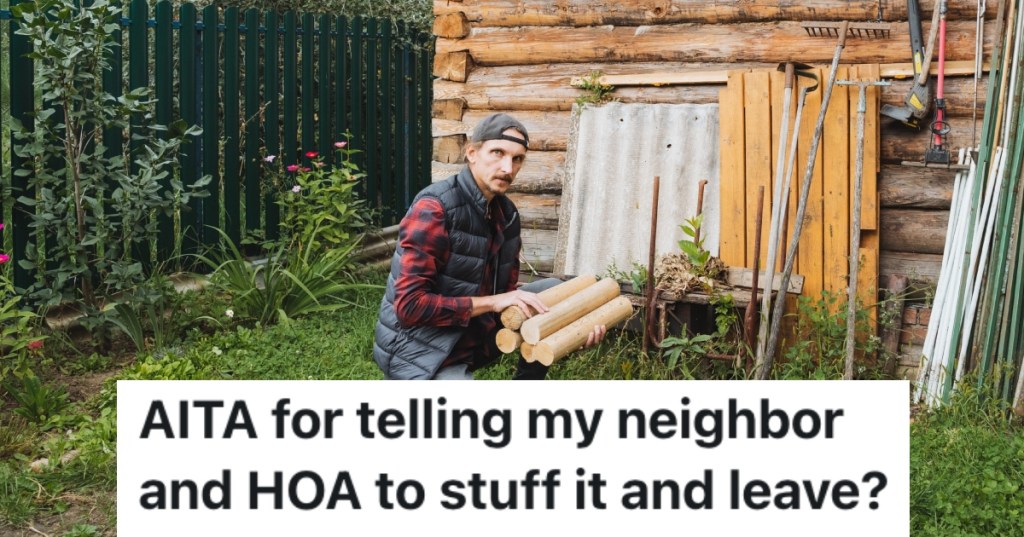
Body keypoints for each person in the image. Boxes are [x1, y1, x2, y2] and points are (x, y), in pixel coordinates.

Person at [373, 113, 605, 380]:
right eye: (498, 153)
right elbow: (410, 307)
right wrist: (496, 302)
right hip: (419, 350)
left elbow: (505, 294)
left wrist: (573, 329)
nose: (508, 168)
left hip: (472, 336)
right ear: (472, 153)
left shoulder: (506, 215)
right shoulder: (434, 208)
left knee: (556, 291)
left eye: (517, 159)